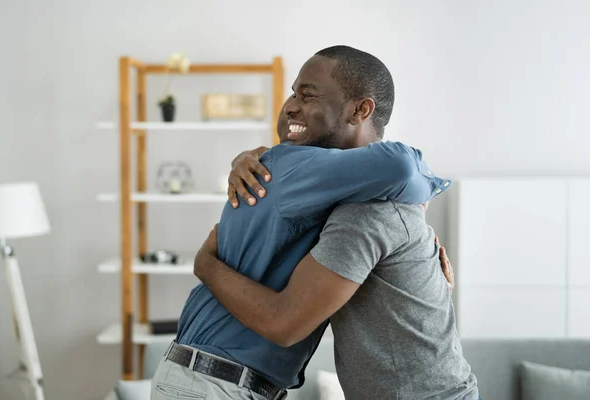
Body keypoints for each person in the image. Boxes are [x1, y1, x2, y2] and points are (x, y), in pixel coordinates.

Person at [150, 46, 463, 400]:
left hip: (225, 383)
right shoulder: (289, 166)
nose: (290, 106)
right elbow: (403, 168)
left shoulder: (339, 192)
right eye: (292, 93)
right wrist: (205, 264)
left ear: (360, 109)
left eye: (308, 95)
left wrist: (415, 245)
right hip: (213, 383)